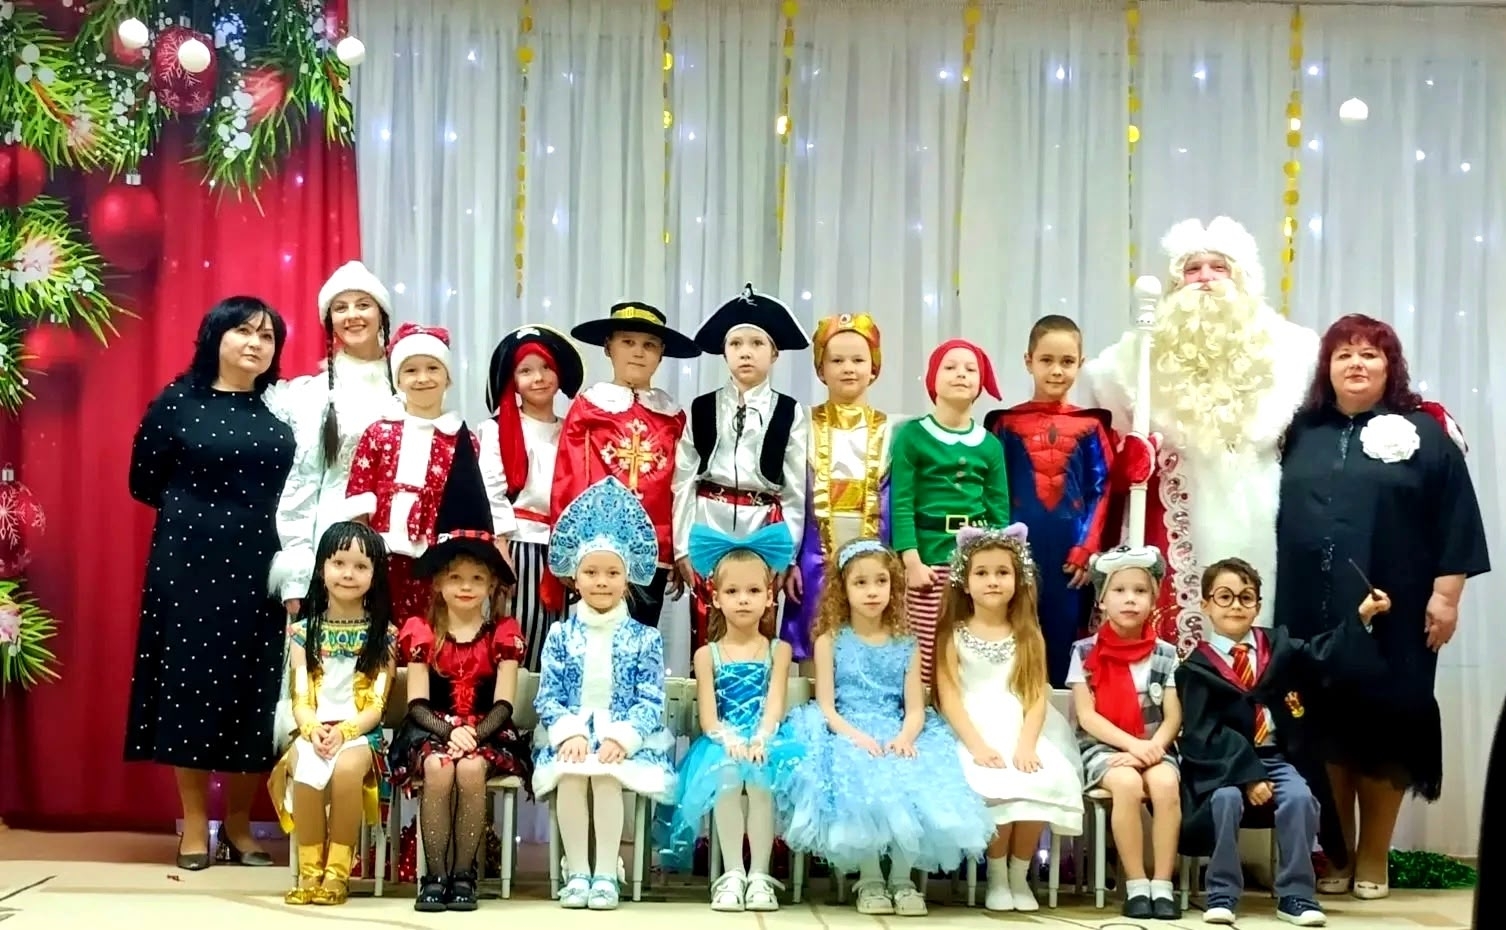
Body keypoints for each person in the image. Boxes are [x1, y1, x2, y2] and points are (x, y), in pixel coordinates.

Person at [1275, 313, 1489, 899]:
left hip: (1400, 611)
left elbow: (1457, 515)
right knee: (1322, 727)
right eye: (1344, 353)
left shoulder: (1425, 431)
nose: (1357, 363)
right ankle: (1338, 854)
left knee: (1385, 727)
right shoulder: (1299, 430)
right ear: (1326, 367)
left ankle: (1374, 857)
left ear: (1390, 366)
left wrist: (1447, 596)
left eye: (1370, 353)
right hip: (1310, 608)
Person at [1080, 217, 1320, 652]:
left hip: (1260, 512)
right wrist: (1128, 457)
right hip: (1175, 514)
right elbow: (1104, 450)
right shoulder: (1129, 360)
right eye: (1192, 269)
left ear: (1241, 277)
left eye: (1218, 267)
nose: (1206, 279)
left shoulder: (1293, 351)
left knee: (1254, 626)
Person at [126, 296, 296, 870]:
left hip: (264, 566)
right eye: (243, 331)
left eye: (267, 337)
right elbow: (143, 481)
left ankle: (242, 826)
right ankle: (196, 825)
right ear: (215, 337)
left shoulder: (283, 405)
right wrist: (200, 516)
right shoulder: (178, 402)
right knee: (191, 688)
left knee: (257, 691)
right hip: (190, 565)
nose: (255, 343)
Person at [779, 538, 995, 917]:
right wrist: (857, 737)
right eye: (861, 583)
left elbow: (915, 708)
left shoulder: (906, 643)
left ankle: (901, 879)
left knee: (911, 778)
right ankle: (870, 879)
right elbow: (827, 707)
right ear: (843, 589)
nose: (872, 591)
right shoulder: (830, 641)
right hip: (846, 730)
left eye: (881, 581)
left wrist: (905, 737)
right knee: (862, 778)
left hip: (896, 729)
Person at [1177, 557, 1388, 927]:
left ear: (1258, 605)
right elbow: (1203, 733)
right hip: (1225, 764)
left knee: (1301, 799)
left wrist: (1362, 617)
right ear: (1206, 604)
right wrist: (1249, 775)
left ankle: (1296, 894)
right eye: (1224, 597)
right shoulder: (1196, 668)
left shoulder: (1278, 647)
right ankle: (1222, 892)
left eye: (1246, 597)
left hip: (1278, 756)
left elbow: (1322, 653)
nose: (1236, 606)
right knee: (1224, 801)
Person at [387, 429, 531, 912]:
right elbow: (417, 703)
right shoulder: (422, 632)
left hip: (488, 730)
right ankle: (435, 875)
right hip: (432, 728)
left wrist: (473, 736)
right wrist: (450, 732)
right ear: (438, 584)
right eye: (455, 577)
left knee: (469, 769)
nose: (465, 587)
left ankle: (465, 875)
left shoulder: (502, 633)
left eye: (476, 578)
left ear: (491, 584)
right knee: (436, 766)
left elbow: (505, 704)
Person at [533, 477, 679, 910]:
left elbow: (650, 699)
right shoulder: (560, 635)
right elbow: (548, 697)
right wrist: (569, 732)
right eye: (591, 573)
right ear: (575, 578)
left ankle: (605, 873)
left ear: (627, 578)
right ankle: (577, 870)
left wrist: (623, 738)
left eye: (612, 573)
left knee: (607, 777)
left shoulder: (644, 638)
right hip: (573, 735)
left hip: (624, 737)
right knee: (572, 776)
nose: (601, 582)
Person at [931, 524, 1084, 912]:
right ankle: (997, 876)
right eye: (982, 573)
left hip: (1021, 728)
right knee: (994, 782)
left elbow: (1035, 695)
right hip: (970, 729)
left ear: (1018, 580)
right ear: (965, 581)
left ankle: (1020, 874)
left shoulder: (1029, 634)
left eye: (1002, 572)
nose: (992, 581)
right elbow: (949, 697)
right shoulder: (951, 634)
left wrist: (1028, 744)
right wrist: (976, 746)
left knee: (1040, 778)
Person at [662, 523, 802, 912]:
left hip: (766, 737)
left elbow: (775, 705)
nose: (743, 600)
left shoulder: (779, 650)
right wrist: (731, 741)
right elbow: (709, 718)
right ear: (716, 598)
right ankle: (733, 873)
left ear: (770, 597)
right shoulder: (706, 654)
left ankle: (759, 875)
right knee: (726, 778)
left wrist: (761, 738)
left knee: (760, 781)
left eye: (754, 591)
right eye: (733, 592)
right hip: (722, 740)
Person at [673, 284, 810, 655]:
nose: (745, 352)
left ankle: (758, 689)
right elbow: (683, 481)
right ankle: (706, 689)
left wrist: (787, 554)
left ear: (774, 353)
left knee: (758, 621)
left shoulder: (789, 412)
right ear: (724, 351)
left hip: (763, 523)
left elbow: (794, 490)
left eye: (757, 343)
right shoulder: (702, 408)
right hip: (709, 521)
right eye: (736, 344)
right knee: (707, 623)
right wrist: (682, 547)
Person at [270, 521, 396, 906]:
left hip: (361, 733)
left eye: (361, 566)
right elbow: (300, 697)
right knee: (306, 768)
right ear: (322, 568)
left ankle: (338, 873)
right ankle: (311, 870)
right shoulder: (301, 633)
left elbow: (376, 704)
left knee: (345, 771)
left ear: (375, 575)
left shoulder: (385, 634)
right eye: (339, 563)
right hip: (314, 730)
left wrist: (345, 731)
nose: (348, 574)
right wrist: (311, 729)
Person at [552, 303, 701, 627]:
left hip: (653, 549)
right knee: (596, 634)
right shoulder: (589, 407)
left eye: (649, 345)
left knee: (640, 635)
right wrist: (568, 545)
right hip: (597, 548)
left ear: (661, 354)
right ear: (608, 347)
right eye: (628, 342)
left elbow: (682, 486)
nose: (638, 352)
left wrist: (679, 548)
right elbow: (570, 475)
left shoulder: (672, 416)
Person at [986, 315, 1114, 686]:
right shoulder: (1005, 424)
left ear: (1080, 363)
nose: (1057, 370)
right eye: (1046, 360)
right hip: (1017, 549)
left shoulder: (1091, 425)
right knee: (1011, 630)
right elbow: (993, 490)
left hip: (1069, 556)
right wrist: (1001, 549)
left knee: (1063, 635)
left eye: (1067, 361)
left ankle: (1060, 709)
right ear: (1028, 361)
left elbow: (1101, 488)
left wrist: (1087, 547)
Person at [264, 262, 397, 615]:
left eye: (363, 305)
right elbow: (302, 483)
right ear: (329, 321)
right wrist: (297, 574)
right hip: (336, 545)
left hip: (401, 544)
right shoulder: (316, 394)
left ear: (382, 314)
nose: (352, 315)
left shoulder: (409, 378)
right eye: (341, 308)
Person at [1066, 546, 1183, 920]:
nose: (1130, 599)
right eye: (1119, 590)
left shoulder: (1166, 653)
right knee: (1127, 785)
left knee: (1165, 784)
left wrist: (1153, 748)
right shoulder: (1084, 652)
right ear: (1102, 599)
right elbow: (1087, 717)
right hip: (1104, 748)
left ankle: (1162, 883)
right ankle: (1135, 884)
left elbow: (1172, 718)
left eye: (1140, 591)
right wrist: (1133, 747)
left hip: (1155, 746)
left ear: (1153, 599)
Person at [890, 339, 1011, 684]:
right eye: (950, 367)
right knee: (924, 644)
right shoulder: (913, 435)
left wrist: (993, 564)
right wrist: (911, 561)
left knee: (967, 642)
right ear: (933, 378)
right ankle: (923, 703)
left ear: (981, 383)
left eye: (970, 369)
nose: (961, 374)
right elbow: (901, 501)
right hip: (927, 560)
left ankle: (960, 703)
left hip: (973, 562)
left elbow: (998, 509)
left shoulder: (989, 444)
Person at [346, 323, 475, 622]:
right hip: (383, 554)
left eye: (433, 368)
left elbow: (468, 504)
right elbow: (359, 494)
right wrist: (363, 552)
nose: (422, 378)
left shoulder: (461, 439)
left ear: (448, 378)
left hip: (438, 559)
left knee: (432, 628)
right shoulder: (379, 432)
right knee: (381, 625)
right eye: (411, 370)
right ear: (398, 380)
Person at [477, 323, 585, 670]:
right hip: (516, 544)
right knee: (513, 632)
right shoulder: (496, 429)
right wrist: (500, 547)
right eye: (526, 371)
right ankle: (508, 700)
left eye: (546, 368)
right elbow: (491, 491)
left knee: (555, 637)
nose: (538, 378)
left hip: (561, 547)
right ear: (513, 380)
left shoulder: (574, 430)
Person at [786, 313, 891, 662]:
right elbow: (790, 496)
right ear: (820, 368)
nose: (848, 368)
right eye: (837, 360)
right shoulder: (801, 424)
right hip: (813, 562)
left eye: (858, 360)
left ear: (874, 367)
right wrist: (789, 560)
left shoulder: (893, 430)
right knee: (814, 649)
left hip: (875, 565)